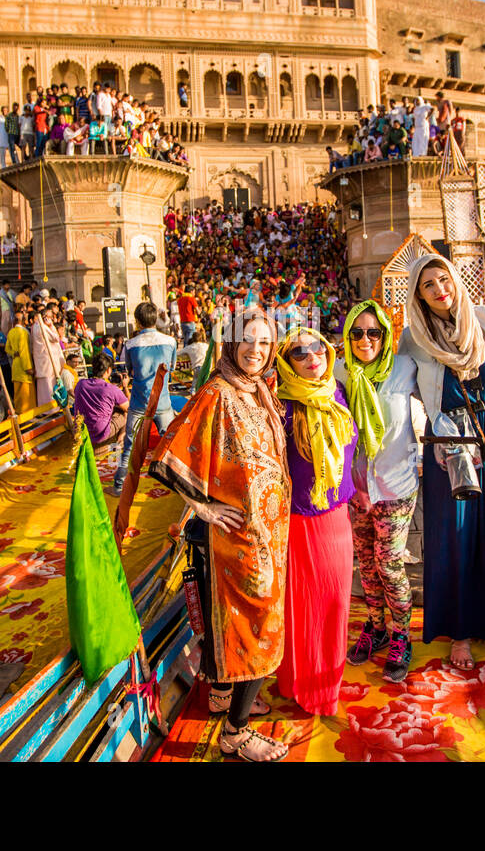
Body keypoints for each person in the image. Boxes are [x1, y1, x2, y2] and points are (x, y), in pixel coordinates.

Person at [148, 309, 291, 761]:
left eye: (265, 343)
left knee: (245, 626)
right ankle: (236, 731)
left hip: (268, 536)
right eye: (246, 340)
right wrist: (202, 508)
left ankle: (225, 698)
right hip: (235, 543)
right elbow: (169, 454)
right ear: (229, 344)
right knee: (255, 627)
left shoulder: (259, 391)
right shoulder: (217, 392)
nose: (255, 350)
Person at [402, 254, 485, 666]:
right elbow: (398, 387)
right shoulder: (414, 338)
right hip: (449, 450)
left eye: (444, 279)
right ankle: (460, 633)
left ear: (455, 280)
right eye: (428, 285)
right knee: (453, 540)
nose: (440, 289)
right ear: (418, 296)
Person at [274, 326, 358, 716]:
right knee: (301, 607)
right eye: (300, 353)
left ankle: (324, 685)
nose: (312, 358)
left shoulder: (336, 395)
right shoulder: (279, 406)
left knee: (335, 604)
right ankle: (297, 683)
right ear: (285, 362)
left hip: (336, 518)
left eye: (318, 350)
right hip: (297, 521)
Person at [334, 300, 420, 681]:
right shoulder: (339, 372)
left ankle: (402, 635)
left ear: (385, 335)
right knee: (366, 563)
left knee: (389, 562)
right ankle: (377, 626)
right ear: (348, 337)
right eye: (357, 333)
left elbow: (439, 394)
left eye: (374, 332)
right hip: (357, 487)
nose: (366, 340)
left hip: (395, 483)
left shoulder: (405, 367)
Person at [110, 301, 178, 496]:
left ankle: (119, 486)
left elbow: (130, 371)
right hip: (163, 401)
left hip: (139, 402)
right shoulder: (171, 341)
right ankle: (178, 482)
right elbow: (170, 368)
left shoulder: (130, 344)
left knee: (130, 444)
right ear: (155, 319)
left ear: (137, 322)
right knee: (170, 441)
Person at [74, 352, 130, 448]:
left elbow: (94, 399)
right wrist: (125, 387)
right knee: (124, 413)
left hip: (81, 430)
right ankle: (121, 439)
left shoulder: (80, 384)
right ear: (108, 370)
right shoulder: (111, 389)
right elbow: (129, 408)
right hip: (100, 434)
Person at [5, 311, 35, 414]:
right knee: (26, 395)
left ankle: (18, 412)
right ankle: (26, 416)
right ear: (23, 321)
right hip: (23, 366)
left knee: (17, 393)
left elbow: (7, 349)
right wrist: (28, 368)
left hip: (15, 365)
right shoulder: (23, 332)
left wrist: (14, 353)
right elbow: (24, 352)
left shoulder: (11, 332)